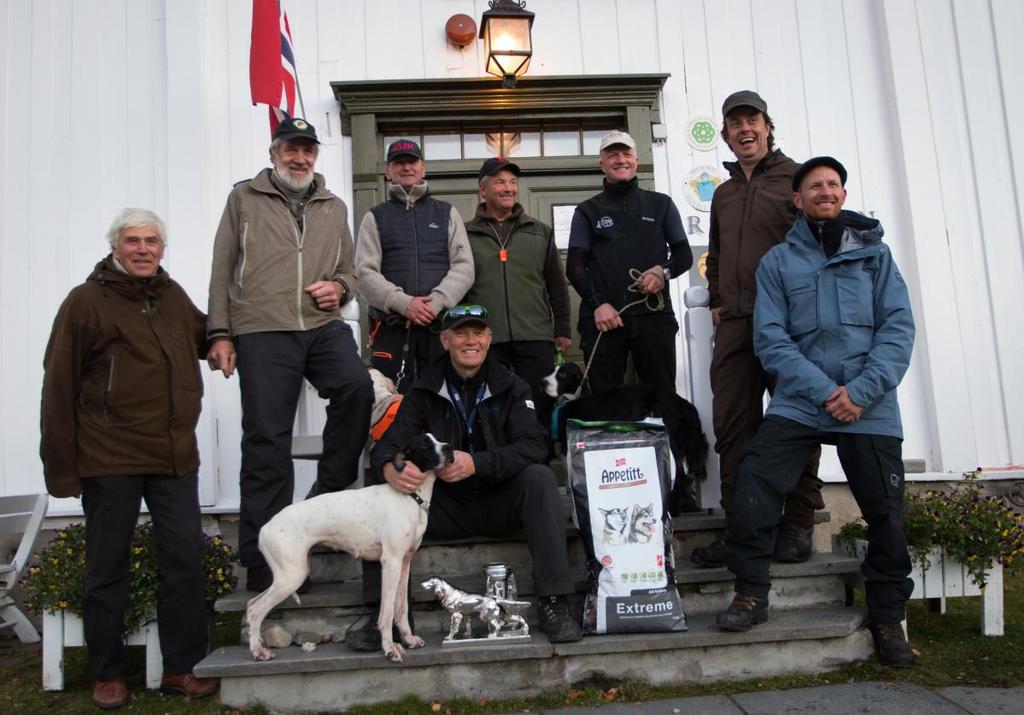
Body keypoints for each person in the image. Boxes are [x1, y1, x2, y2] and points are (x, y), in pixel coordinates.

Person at [716, 157, 917, 668]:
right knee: (755, 480)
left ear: (843, 195)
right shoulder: (778, 263)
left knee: (886, 516)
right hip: (803, 401)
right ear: (798, 201)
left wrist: (861, 391)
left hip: (867, 406)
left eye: (833, 185)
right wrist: (827, 391)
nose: (825, 192)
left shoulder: (877, 257)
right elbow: (771, 340)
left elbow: (897, 331)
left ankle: (888, 619)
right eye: (814, 187)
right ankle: (751, 594)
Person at [40, 209, 218, 708]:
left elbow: (208, 335)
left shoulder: (172, 296)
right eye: (133, 241)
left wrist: (228, 338)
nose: (144, 249)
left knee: (183, 559)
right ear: (116, 247)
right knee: (107, 564)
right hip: (108, 453)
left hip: (174, 455)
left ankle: (181, 668)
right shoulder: (85, 302)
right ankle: (108, 672)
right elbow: (57, 385)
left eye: (152, 241)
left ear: (163, 248)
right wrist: (61, 466)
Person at [344, 304, 582, 650]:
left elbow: (534, 447)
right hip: (442, 506)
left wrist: (478, 463)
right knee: (381, 489)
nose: (470, 341)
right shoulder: (422, 389)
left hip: (501, 501)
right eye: (460, 333)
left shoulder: (513, 387)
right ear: (445, 340)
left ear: (489, 339)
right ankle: (387, 617)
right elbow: (389, 444)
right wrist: (389, 467)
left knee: (540, 479)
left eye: (478, 333)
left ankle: (555, 603)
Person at [207, 117, 372, 592]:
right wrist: (220, 332)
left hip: (322, 327)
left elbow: (350, 272)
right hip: (261, 328)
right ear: (274, 151)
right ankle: (262, 559)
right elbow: (222, 268)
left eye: (308, 151)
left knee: (357, 388)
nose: (300, 159)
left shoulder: (333, 205)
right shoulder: (243, 198)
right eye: (291, 150)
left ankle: (325, 496)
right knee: (266, 440)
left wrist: (339, 288)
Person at [692, 90, 824, 568]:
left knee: (797, 419)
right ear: (725, 136)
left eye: (752, 120)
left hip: (787, 323)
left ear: (768, 125)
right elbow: (718, 254)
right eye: (735, 124)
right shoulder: (724, 193)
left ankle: (797, 524)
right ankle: (742, 528)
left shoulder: (795, 178)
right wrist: (718, 301)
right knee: (732, 424)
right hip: (736, 324)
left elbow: (816, 246)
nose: (744, 130)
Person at [566, 131, 693, 396]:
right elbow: (575, 267)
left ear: (636, 160)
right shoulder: (586, 211)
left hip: (654, 317)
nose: (620, 160)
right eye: (612, 155)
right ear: (602, 163)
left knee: (662, 398)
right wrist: (598, 304)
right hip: (605, 320)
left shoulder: (661, 205)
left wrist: (663, 271)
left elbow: (684, 256)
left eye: (626, 154)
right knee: (604, 402)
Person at [356, 139, 474, 392]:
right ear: (388, 171)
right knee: (393, 400)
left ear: (423, 168)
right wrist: (404, 303)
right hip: (392, 329)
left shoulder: (447, 213)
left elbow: (464, 268)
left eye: (412, 161)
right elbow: (365, 274)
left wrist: (436, 302)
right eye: (399, 163)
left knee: (444, 395)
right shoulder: (374, 217)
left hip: (439, 326)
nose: (406, 167)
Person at [463, 157, 571, 403]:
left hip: (536, 337)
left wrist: (562, 329)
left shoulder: (539, 231)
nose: (508, 188)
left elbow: (556, 284)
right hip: (485, 338)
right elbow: (459, 288)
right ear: (483, 190)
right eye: (500, 182)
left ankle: (538, 444)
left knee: (539, 405)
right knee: (492, 406)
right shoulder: (464, 233)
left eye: (512, 182)